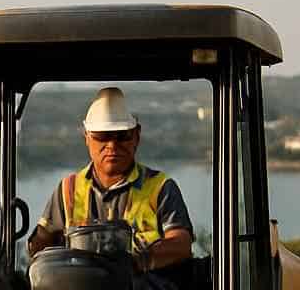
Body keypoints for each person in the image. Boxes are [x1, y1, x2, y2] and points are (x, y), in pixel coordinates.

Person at [26, 87, 193, 273]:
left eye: (122, 136)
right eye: (102, 136)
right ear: (87, 137)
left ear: (136, 136)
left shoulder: (161, 188)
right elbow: (40, 247)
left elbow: (181, 244)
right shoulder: (68, 190)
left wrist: (138, 261)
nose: (112, 145)